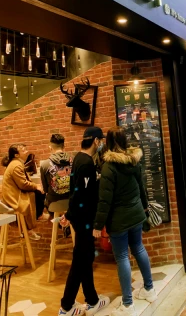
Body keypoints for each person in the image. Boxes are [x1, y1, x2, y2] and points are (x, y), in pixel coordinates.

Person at [94, 129, 156, 316]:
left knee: (122, 257)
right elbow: (141, 188)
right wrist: (144, 208)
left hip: (119, 220)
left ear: (109, 142)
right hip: (136, 214)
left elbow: (105, 200)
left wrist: (98, 225)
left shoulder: (109, 167)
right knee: (139, 248)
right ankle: (149, 289)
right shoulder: (134, 161)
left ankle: (128, 305)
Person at [58, 128, 110, 316]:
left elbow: (76, 190)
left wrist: (69, 214)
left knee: (85, 258)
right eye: (101, 141)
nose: (102, 144)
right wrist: (70, 215)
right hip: (85, 221)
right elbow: (82, 195)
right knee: (81, 261)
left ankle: (92, 300)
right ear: (96, 141)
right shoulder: (86, 163)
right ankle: (66, 306)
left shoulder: (78, 158)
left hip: (80, 219)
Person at [2, 143, 43, 240]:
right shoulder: (16, 165)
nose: (27, 151)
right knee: (39, 192)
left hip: (15, 195)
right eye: (24, 150)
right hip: (14, 199)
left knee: (37, 192)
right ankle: (36, 219)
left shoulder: (16, 163)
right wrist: (36, 186)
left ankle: (34, 222)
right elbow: (23, 184)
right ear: (16, 155)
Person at [40, 134, 72, 207]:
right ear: (64, 147)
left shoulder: (45, 165)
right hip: (71, 203)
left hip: (53, 204)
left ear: (50, 148)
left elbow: (45, 190)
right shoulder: (73, 160)